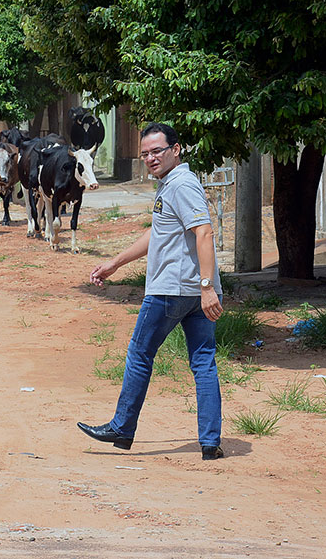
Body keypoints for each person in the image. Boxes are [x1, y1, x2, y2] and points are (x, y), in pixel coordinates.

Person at [78, 122, 225, 460]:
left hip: (173, 290)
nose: (150, 158)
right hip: (192, 292)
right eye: (145, 153)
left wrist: (206, 288)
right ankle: (209, 442)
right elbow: (158, 234)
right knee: (203, 362)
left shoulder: (181, 185)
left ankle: (122, 427)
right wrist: (116, 262)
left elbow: (204, 233)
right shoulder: (171, 184)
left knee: (140, 353)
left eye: (157, 151)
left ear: (176, 149)